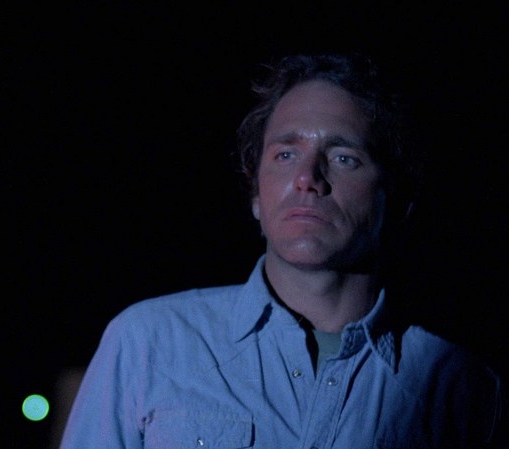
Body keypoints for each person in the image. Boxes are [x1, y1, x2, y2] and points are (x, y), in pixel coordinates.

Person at [59, 53, 505, 448]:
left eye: (344, 158)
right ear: (256, 193)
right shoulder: (150, 342)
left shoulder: (459, 385)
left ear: (396, 196)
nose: (307, 177)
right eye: (285, 155)